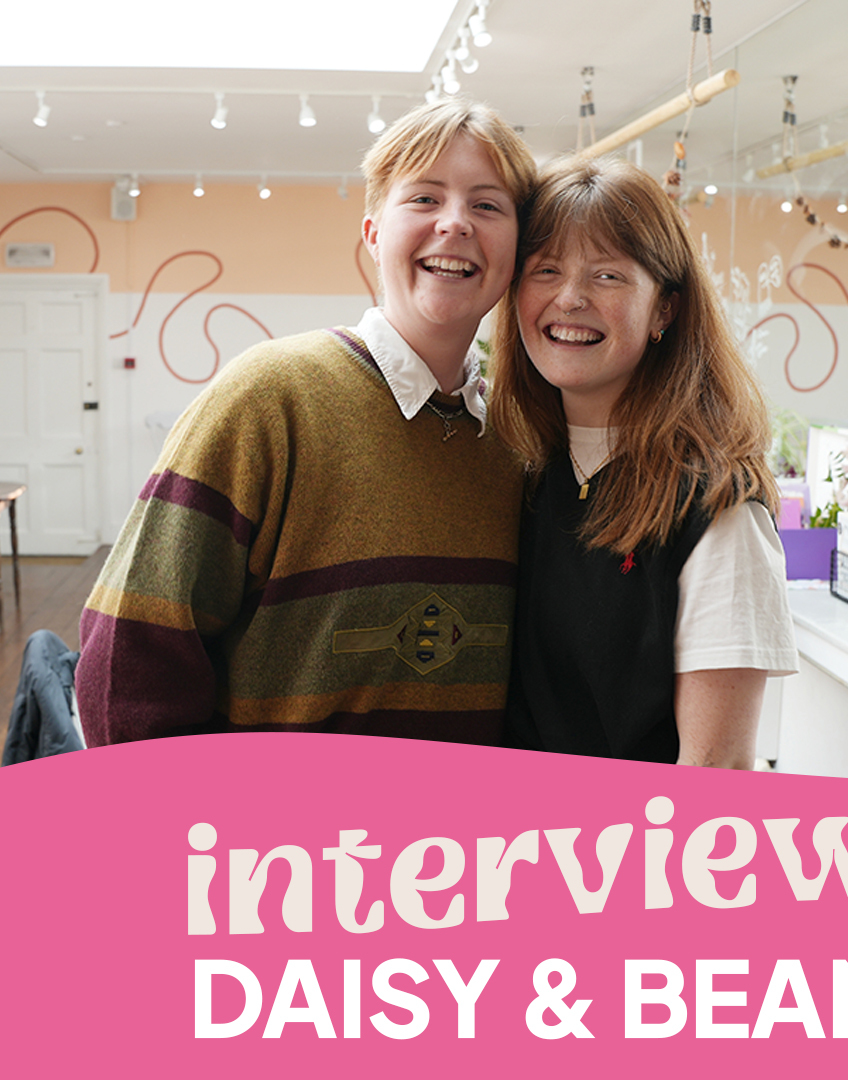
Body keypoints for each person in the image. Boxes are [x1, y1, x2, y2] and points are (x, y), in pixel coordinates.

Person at [76, 99, 536, 745]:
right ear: (374, 234)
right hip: (272, 841)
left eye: (487, 205)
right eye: (425, 199)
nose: (455, 224)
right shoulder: (269, 398)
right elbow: (128, 659)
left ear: (517, 250)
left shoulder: (518, 444)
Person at [490, 155, 798, 767]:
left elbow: (717, 774)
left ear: (665, 309)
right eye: (545, 269)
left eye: (607, 276)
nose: (570, 298)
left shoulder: (716, 506)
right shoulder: (518, 470)